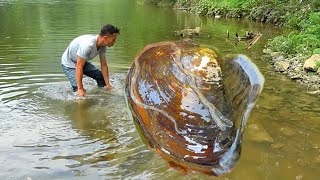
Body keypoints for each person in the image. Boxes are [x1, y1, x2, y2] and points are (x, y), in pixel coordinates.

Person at [61, 24, 120, 97]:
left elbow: (104, 65)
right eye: (113, 39)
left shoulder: (103, 45)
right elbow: (79, 66)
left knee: (100, 77)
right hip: (69, 63)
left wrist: (107, 84)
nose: (115, 42)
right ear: (105, 38)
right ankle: (78, 102)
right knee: (79, 91)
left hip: (81, 61)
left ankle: (102, 96)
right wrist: (80, 88)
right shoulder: (88, 45)